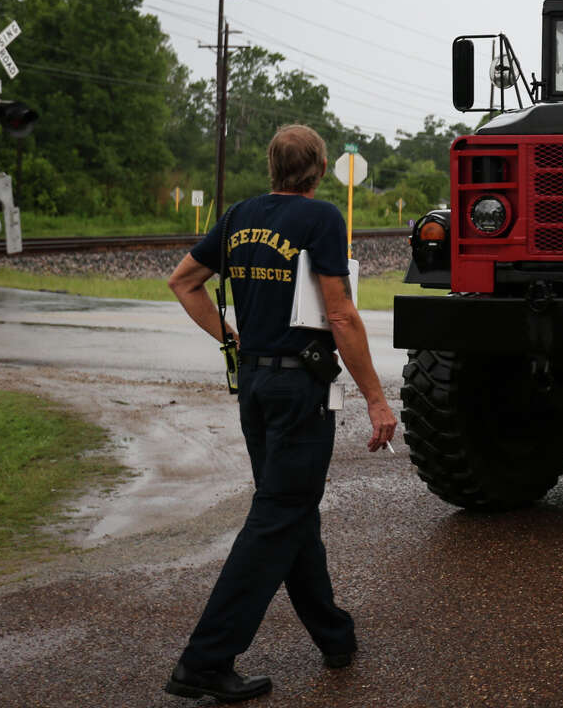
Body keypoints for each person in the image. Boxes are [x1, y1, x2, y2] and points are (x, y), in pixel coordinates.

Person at [164, 124, 397, 703]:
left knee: (292, 511)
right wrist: (375, 396)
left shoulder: (241, 214)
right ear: (318, 169)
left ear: (272, 165)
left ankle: (334, 635)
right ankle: (204, 661)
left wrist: (231, 339)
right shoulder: (320, 220)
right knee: (277, 518)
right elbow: (340, 316)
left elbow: (184, 281)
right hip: (299, 392)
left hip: (257, 385)